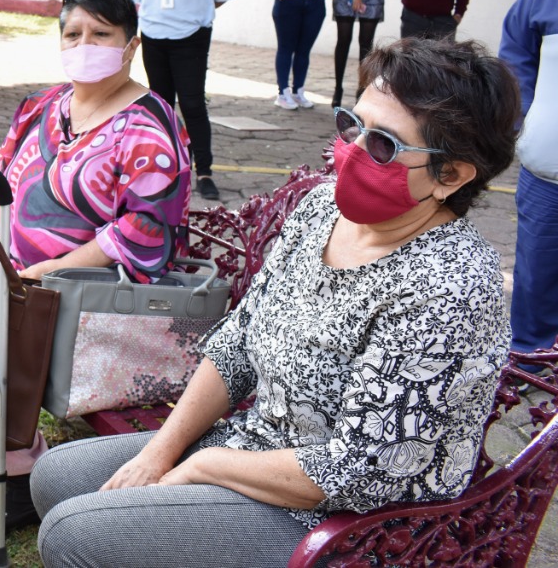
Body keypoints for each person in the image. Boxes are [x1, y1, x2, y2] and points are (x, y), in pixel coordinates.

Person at [30, 37, 520, 568]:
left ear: (451, 175)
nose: (353, 150)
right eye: (351, 125)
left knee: (76, 534)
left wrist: (205, 465)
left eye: (383, 145)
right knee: (56, 477)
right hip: (258, 448)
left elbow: (360, 470)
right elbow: (238, 343)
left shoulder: (449, 284)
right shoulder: (321, 211)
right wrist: (159, 452)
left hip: (348, 520)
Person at [0, 0, 192, 536]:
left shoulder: (148, 127)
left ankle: (19, 476)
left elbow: (142, 232)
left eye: (101, 34)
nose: (85, 44)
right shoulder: (46, 105)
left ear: (131, 45)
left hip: (91, 285)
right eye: (74, 33)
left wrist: (46, 270)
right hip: (16, 267)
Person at [131, 0, 238, 201]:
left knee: (192, 104)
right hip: (153, 34)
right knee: (161, 105)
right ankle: (164, 169)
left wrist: (194, 12)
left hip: (191, 36)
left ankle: (203, 171)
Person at [500, 0, 558, 357]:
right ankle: (530, 357)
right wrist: (525, 114)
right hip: (548, 167)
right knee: (537, 270)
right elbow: (517, 44)